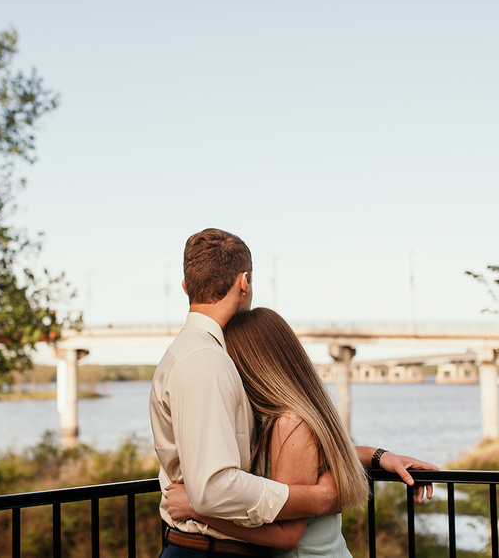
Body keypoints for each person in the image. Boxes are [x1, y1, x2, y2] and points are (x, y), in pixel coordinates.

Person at [150, 228, 435, 557]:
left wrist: (376, 457)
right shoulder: (206, 361)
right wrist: (319, 498)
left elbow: (298, 450)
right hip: (206, 549)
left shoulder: (192, 357)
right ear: (244, 282)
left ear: (186, 287)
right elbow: (213, 489)